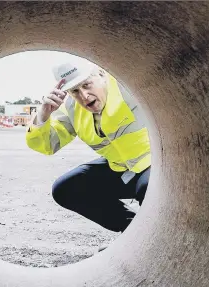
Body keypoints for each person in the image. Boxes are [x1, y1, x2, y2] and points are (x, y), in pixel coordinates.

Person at [25, 60, 151, 240]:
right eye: (75, 91)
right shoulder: (72, 109)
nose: (84, 95)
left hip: (152, 165)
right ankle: (132, 231)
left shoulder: (129, 87)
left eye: (86, 84)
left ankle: (157, 234)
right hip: (120, 169)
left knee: (148, 187)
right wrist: (43, 116)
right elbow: (47, 144)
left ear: (101, 74)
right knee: (65, 189)